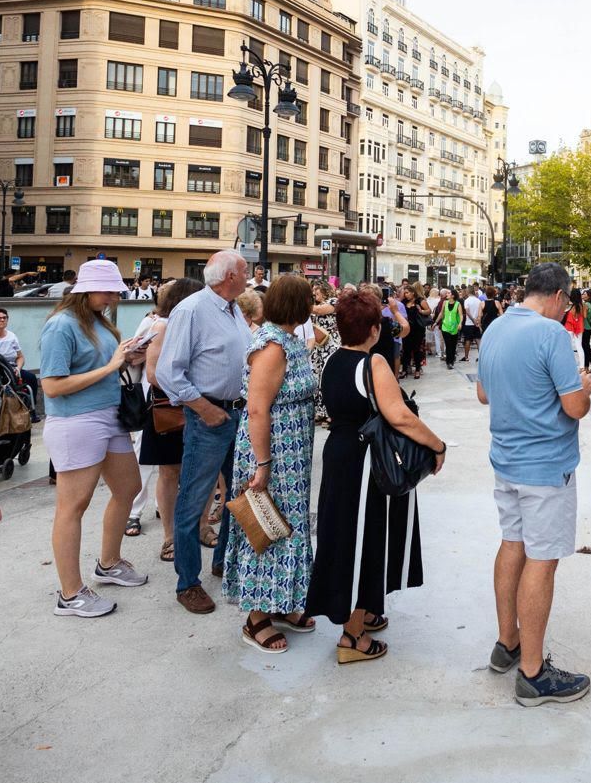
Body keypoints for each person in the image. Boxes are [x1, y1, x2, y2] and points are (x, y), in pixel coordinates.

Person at [476, 262, 591, 706]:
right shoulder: (551, 335)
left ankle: (506, 641)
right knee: (542, 560)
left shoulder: (495, 328)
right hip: (546, 467)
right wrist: (583, 388)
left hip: (506, 461)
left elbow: (484, 393)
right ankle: (532, 672)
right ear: (560, 296)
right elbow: (574, 409)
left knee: (512, 544)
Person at [305, 287, 446, 664]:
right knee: (365, 539)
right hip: (367, 461)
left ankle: (362, 608)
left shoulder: (333, 359)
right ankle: (353, 635)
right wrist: (437, 445)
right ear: (372, 329)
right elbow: (399, 415)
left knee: (346, 534)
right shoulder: (374, 364)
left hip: (340, 453)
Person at [39, 260, 149, 617]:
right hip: (77, 419)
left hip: (107, 415)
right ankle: (70, 593)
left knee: (128, 487)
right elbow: (52, 386)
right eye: (111, 290)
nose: (117, 295)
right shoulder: (61, 326)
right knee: (73, 505)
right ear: (88, 290)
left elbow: (100, 366)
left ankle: (109, 562)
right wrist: (110, 365)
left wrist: (127, 357)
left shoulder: (97, 321)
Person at [227, 276, 320, 653]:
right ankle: (256, 619)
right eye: (309, 301)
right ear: (297, 305)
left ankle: (281, 603)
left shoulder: (288, 339)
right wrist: (263, 463)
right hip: (274, 454)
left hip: (292, 455)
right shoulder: (271, 346)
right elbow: (257, 409)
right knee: (264, 528)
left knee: (288, 527)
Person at [159, 250, 253, 614]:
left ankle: (223, 561)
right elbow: (170, 371)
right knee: (194, 500)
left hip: (235, 415)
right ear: (229, 276)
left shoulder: (232, 309)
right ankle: (188, 583)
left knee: (236, 493)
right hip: (209, 416)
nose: (249, 276)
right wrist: (204, 408)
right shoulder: (192, 310)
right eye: (245, 271)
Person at [128, 278, 205, 560]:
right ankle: (170, 536)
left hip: (196, 407)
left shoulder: (200, 325)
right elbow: (154, 374)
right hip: (169, 409)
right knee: (170, 472)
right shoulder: (162, 326)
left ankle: (201, 525)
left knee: (200, 471)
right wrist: (192, 395)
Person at [308, 281, 341, 423]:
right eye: (313, 289)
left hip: (331, 344)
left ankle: (330, 412)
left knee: (328, 378)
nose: (315, 292)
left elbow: (319, 311)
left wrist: (300, 303)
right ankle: (319, 411)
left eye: (317, 289)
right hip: (318, 346)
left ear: (325, 290)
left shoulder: (333, 301)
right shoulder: (313, 305)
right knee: (317, 377)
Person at [398, 285, 428, 379]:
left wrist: (421, 311)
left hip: (418, 329)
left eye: (407, 293)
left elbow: (428, 311)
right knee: (406, 350)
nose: (406, 295)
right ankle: (404, 370)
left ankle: (418, 369)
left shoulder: (420, 301)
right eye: (404, 293)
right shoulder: (403, 302)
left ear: (413, 292)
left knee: (417, 349)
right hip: (406, 329)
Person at [438, 287, 463, 369]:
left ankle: (451, 360)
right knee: (448, 345)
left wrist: (460, 323)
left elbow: (461, 315)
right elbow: (441, 313)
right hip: (445, 327)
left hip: (454, 328)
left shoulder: (457, 304)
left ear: (453, 295)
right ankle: (449, 362)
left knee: (453, 345)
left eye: (448, 293)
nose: (447, 294)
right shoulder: (445, 302)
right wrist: (435, 322)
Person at [461, 285, 484, 363]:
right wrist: (477, 321)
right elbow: (480, 313)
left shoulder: (467, 300)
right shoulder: (478, 301)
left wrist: (473, 319)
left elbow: (467, 312)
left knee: (467, 340)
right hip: (477, 323)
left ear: (468, 291)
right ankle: (480, 356)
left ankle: (466, 357)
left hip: (469, 323)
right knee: (478, 340)